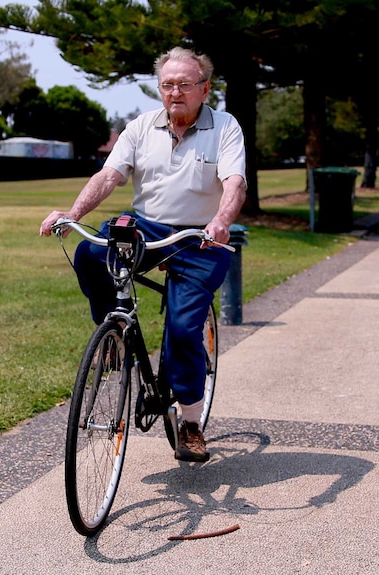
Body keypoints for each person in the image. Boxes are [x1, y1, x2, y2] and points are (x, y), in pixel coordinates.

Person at [39, 47, 247, 463]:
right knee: (90, 253)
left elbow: (235, 181)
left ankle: (189, 422)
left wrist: (222, 219)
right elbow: (109, 176)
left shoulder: (224, 126)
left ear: (204, 89)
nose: (175, 93)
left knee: (185, 331)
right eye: (168, 85)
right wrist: (73, 213)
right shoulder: (139, 127)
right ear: (160, 88)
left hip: (199, 236)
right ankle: (113, 330)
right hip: (148, 226)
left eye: (185, 85)